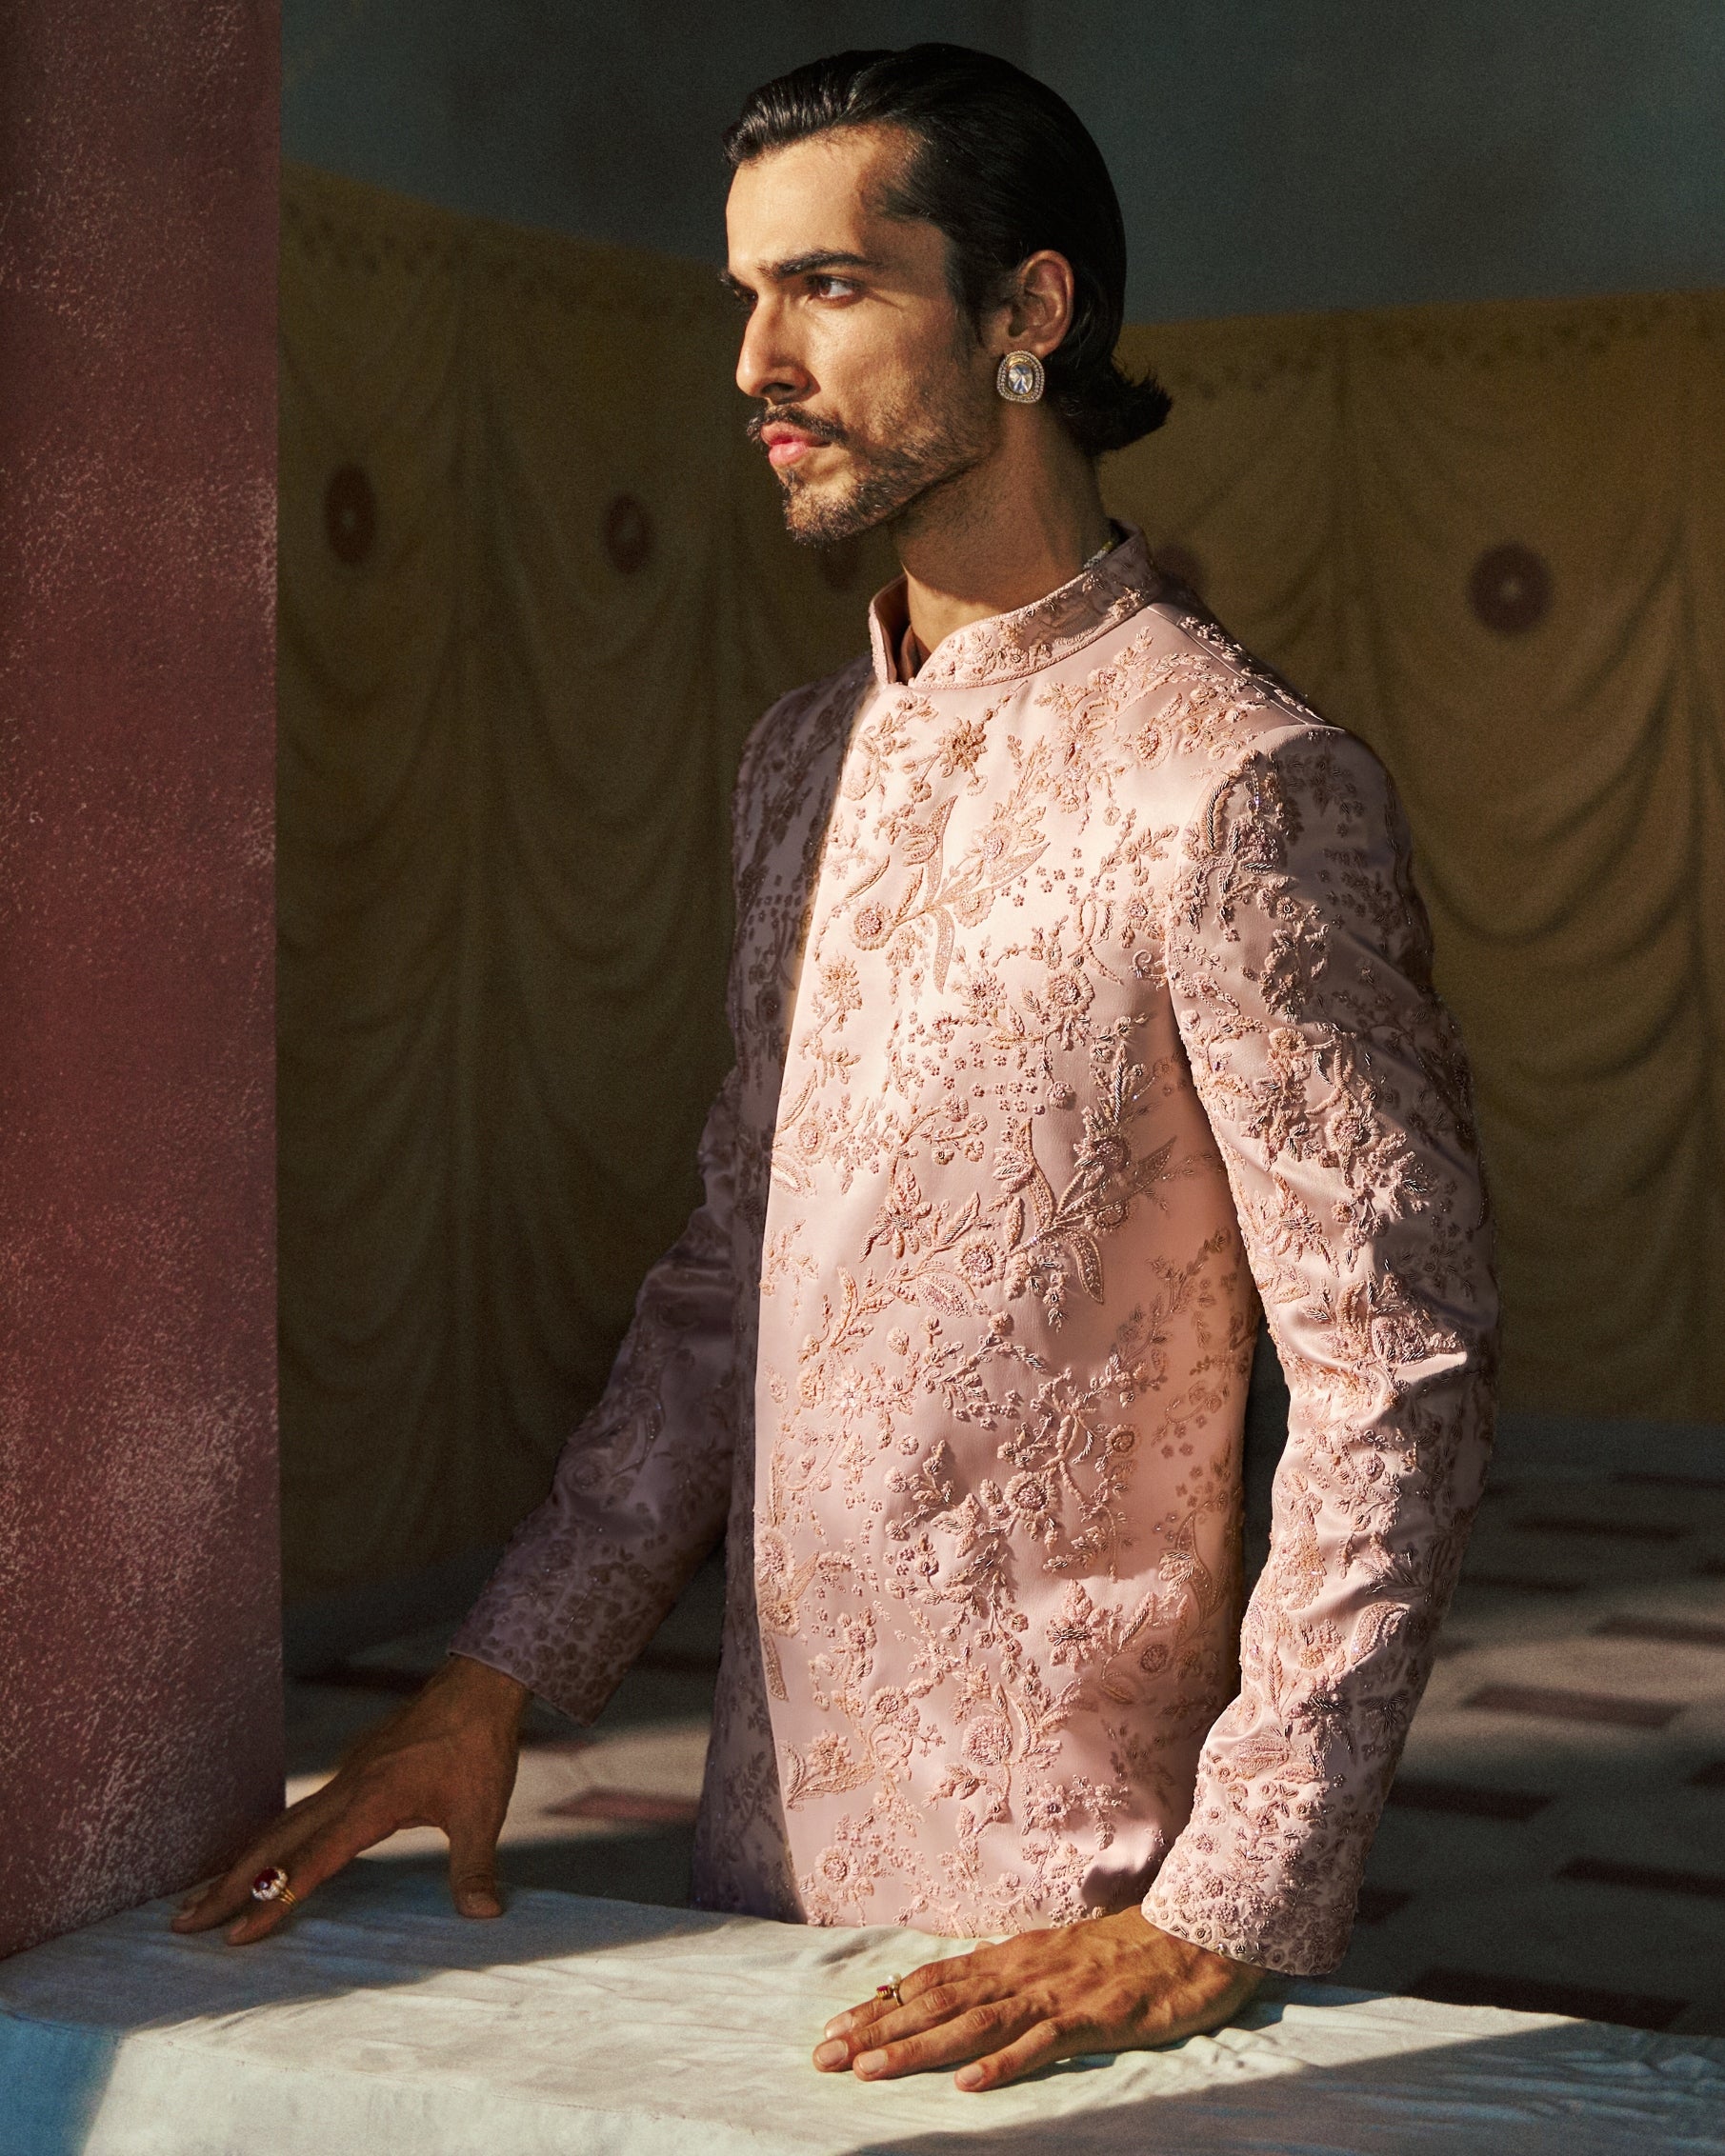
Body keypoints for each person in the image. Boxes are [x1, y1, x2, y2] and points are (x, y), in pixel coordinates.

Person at [177, 45, 1497, 2095]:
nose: (755, 364)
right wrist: (494, 1678)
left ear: (1028, 312)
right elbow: (729, 1282)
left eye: (830, 287)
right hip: (760, 1858)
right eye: (744, 297)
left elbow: (1395, 1374)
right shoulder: (803, 764)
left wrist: (1226, 1901)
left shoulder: (1238, 784)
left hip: (1076, 1903)